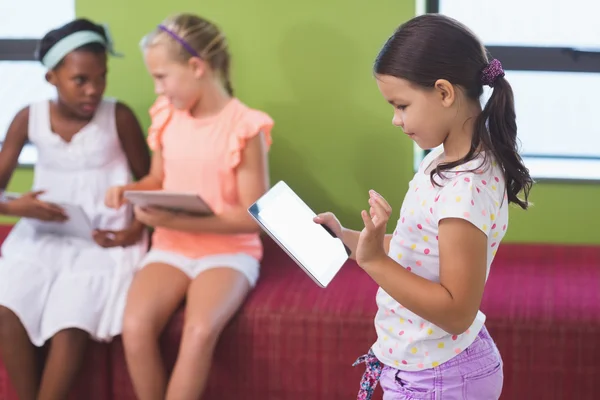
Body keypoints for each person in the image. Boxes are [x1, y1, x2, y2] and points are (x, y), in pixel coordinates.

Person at [314, 14, 533, 399]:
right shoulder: (443, 160)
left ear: (445, 92)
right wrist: (350, 240)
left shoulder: (465, 188)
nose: (395, 120)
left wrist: (374, 263)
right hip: (428, 368)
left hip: (440, 377)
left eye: (401, 105)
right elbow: (418, 252)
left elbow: (456, 311)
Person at [104, 13, 273, 400]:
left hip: (228, 253)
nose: (157, 89)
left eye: (162, 77)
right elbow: (156, 180)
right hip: (171, 246)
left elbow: (253, 219)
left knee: (198, 333)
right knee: (134, 326)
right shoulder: (166, 117)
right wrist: (128, 191)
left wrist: (174, 218)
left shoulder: (245, 128)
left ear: (196, 67)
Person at [0, 19, 150, 400]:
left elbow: (150, 186)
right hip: (42, 237)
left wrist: (133, 231)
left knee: (68, 324)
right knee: (6, 310)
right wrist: (18, 207)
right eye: (80, 80)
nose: (94, 89)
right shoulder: (27, 117)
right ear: (51, 77)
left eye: (101, 77)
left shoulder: (119, 117)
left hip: (102, 242)